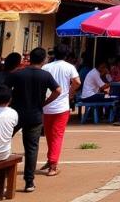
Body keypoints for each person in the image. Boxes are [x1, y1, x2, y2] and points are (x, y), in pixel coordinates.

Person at [5, 47, 61, 193]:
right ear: (44, 60)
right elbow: (58, 90)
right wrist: (46, 102)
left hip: (15, 114)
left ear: (30, 58)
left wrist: (9, 102)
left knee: (4, 142)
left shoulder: (18, 74)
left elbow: (4, 89)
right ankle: (29, 181)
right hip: (35, 114)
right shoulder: (45, 75)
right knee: (31, 148)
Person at [41, 43, 81, 177]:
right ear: (67, 55)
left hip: (47, 104)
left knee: (49, 134)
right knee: (57, 135)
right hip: (62, 106)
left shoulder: (46, 67)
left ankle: (50, 158)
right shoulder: (69, 67)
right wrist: (70, 92)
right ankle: (53, 164)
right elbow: (77, 82)